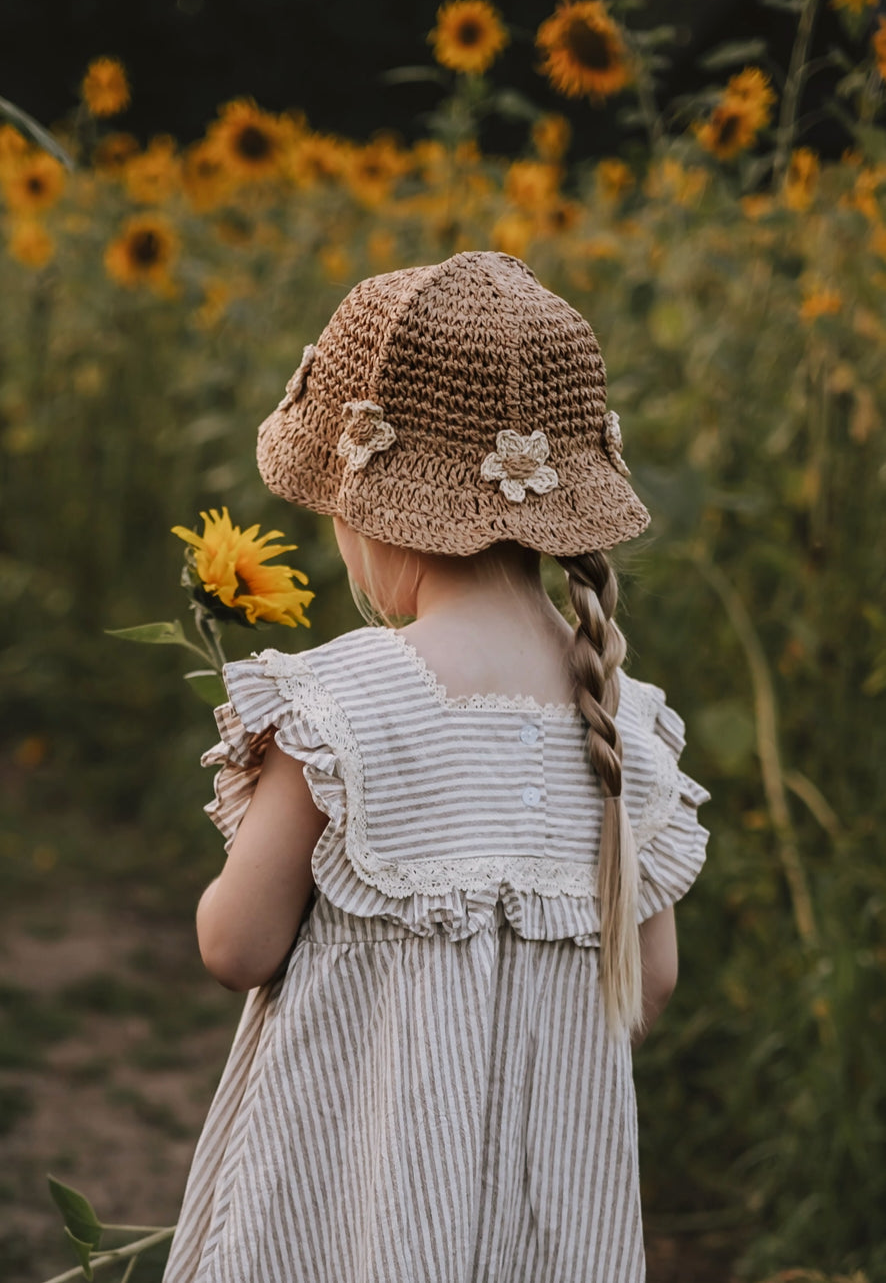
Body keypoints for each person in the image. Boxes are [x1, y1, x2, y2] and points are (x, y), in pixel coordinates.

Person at [162, 251, 710, 1283]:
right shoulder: (627, 725)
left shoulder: (339, 706)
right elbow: (646, 989)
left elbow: (237, 944)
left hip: (342, 1200)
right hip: (547, 1214)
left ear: (368, 507)